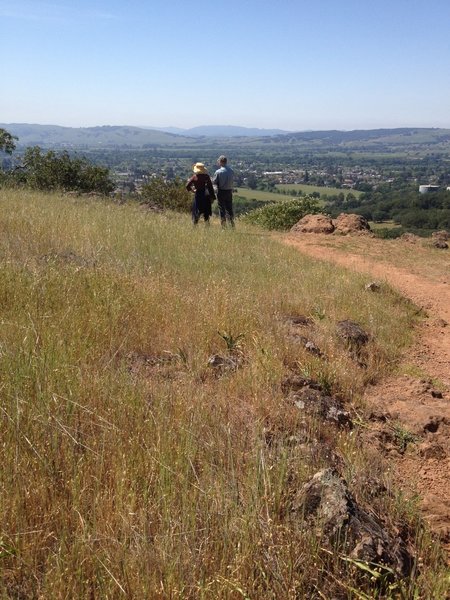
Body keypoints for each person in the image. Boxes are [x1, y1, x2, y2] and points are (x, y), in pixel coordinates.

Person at [213, 155, 235, 228]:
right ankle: (232, 225)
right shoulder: (231, 171)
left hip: (221, 192)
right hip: (229, 191)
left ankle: (224, 227)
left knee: (222, 209)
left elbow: (214, 182)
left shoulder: (218, 172)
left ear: (220, 162)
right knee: (229, 209)